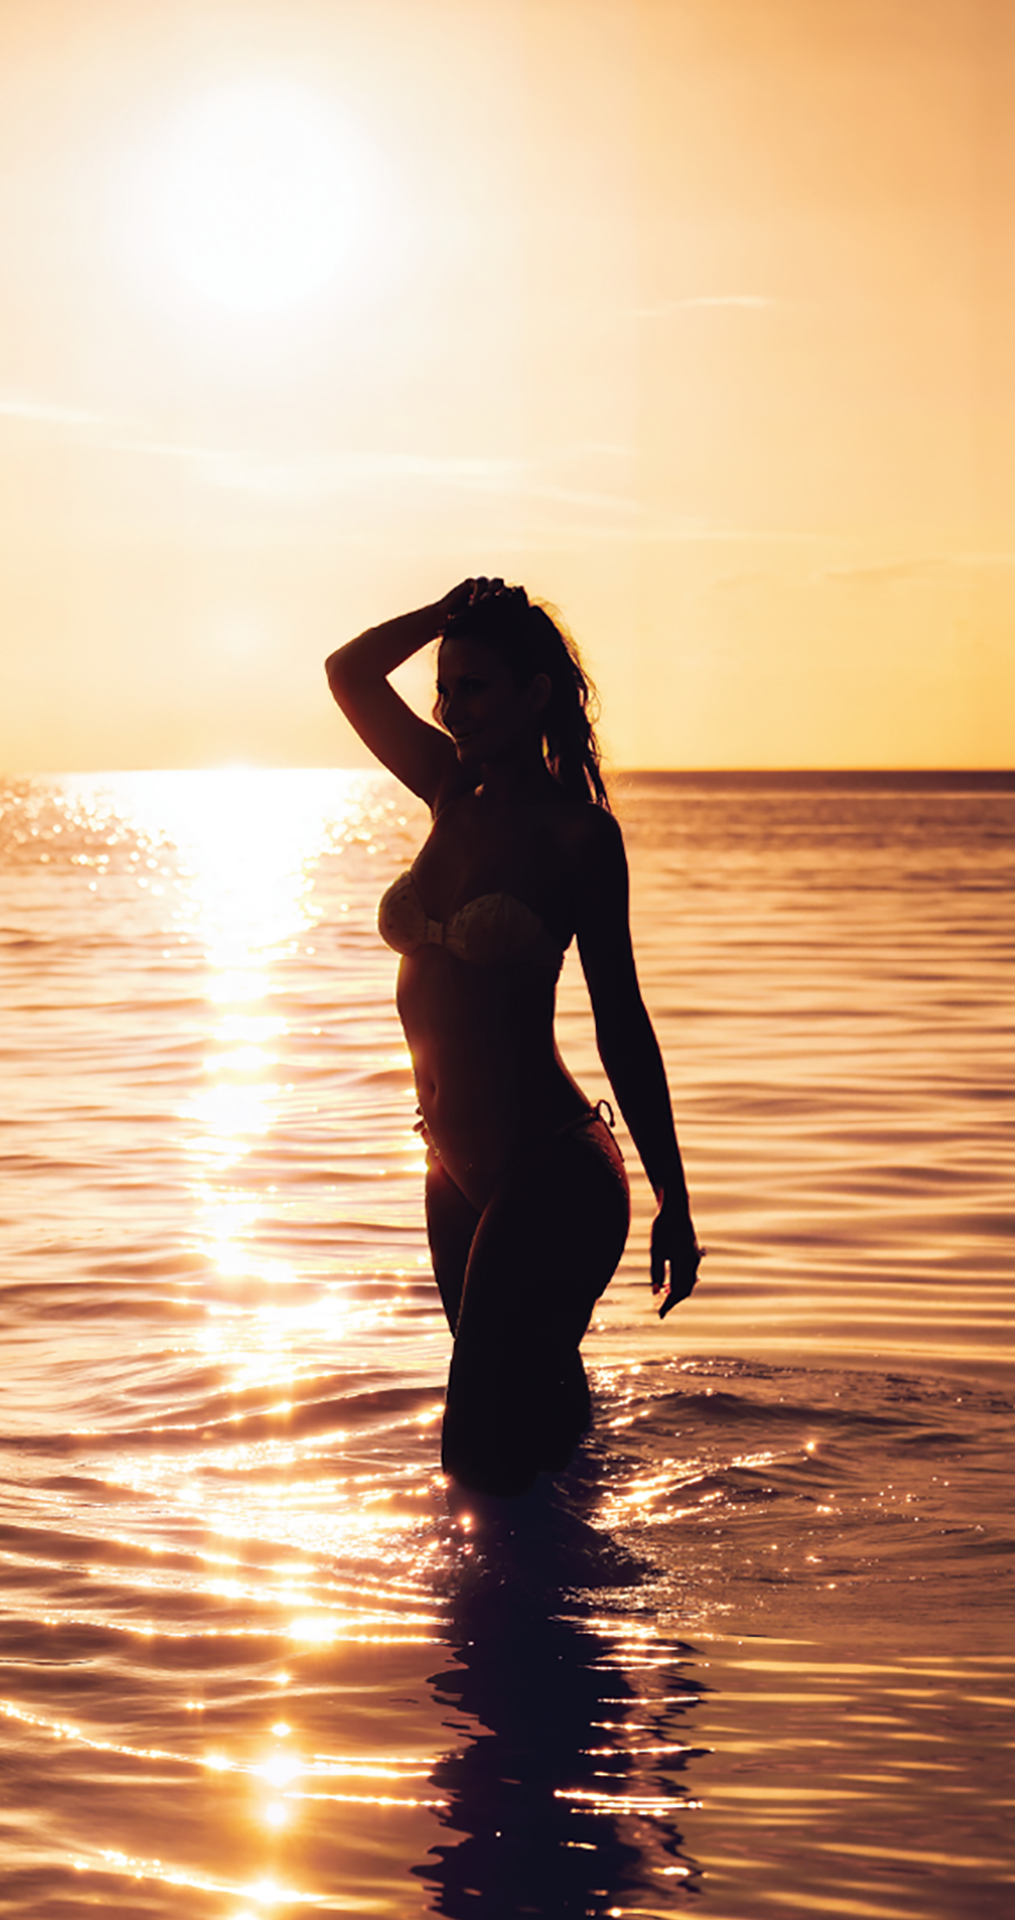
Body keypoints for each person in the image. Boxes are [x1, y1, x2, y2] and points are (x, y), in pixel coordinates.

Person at [326, 578, 701, 1501]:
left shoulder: (580, 837)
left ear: (536, 695)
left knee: (474, 1439)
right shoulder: (449, 794)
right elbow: (349, 673)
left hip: (553, 1170)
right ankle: (585, 1582)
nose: (451, 709)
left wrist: (675, 1199)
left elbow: (620, 1018)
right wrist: (443, 611)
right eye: (445, 688)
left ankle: (474, 1626)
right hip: (453, 1171)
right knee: (522, 1403)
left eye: (476, 687)